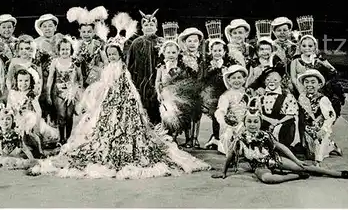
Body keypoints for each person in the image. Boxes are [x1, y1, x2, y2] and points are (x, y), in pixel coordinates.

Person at [26, 13, 211, 179]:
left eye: (115, 54)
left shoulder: (122, 67)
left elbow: (126, 83)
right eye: (110, 54)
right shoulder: (108, 67)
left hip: (123, 100)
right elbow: (105, 83)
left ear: (119, 55)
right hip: (107, 100)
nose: (113, 56)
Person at [211, 107, 348, 183]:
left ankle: (336, 173)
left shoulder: (265, 135)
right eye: (249, 122)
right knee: (267, 179)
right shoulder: (240, 138)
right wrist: (223, 172)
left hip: (275, 159)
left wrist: (297, 160)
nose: (252, 125)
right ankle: (295, 176)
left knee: (305, 166)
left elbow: (281, 147)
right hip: (258, 166)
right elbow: (230, 155)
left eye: (255, 122)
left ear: (260, 123)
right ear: (245, 122)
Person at [7, 66, 59, 158]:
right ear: (16, 81)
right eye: (20, 81)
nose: (23, 84)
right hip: (16, 118)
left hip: (29, 118)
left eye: (26, 81)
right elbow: (9, 106)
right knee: (16, 133)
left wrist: (36, 123)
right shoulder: (13, 93)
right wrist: (10, 113)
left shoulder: (31, 94)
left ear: (31, 81)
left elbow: (38, 110)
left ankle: (39, 150)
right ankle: (22, 147)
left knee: (31, 132)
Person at [127, 9, 164, 125]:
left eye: (152, 24)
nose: (149, 26)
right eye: (146, 24)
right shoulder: (136, 43)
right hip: (140, 81)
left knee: (157, 108)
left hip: (157, 80)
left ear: (156, 28)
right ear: (142, 28)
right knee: (141, 107)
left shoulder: (161, 42)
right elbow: (130, 63)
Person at [297, 69, 342, 166]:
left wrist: (324, 129)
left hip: (319, 128)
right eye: (306, 82)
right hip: (306, 128)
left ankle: (319, 161)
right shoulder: (301, 97)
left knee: (318, 148)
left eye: (313, 82)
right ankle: (330, 146)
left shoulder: (323, 99)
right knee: (309, 153)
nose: (309, 85)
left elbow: (331, 116)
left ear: (319, 85)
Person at [254, 66, 302, 151]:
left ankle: (282, 149)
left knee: (286, 126)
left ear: (280, 81)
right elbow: (258, 113)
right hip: (266, 123)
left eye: (275, 80)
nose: (271, 82)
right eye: (268, 80)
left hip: (283, 124)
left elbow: (291, 114)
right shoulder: (260, 97)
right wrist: (270, 121)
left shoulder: (287, 96)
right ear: (264, 82)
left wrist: (277, 123)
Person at [46, 36, 83, 144]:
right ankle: (62, 138)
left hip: (71, 92)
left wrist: (79, 91)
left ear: (71, 49)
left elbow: (80, 78)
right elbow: (51, 78)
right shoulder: (55, 61)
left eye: (67, 49)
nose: (65, 51)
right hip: (59, 92)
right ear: (58, 50)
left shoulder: (75, 61)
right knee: (61, 115)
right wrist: (48, 93)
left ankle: (69, 137)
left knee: (69, 115)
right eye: (62, 49)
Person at [208, 65, 250, 154]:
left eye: (239, 77)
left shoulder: (248, 92)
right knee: (229, 140)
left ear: (244, 79)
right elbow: (221, 111)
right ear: (229, 81)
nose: (236, 80)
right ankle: (218, 142)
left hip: (247, 123)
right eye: (233, 78)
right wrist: (224, 122)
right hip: (232, 124)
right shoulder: (226, 95)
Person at [66, 6, 108, 87]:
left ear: (93, 32)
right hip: (81, 74)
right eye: (84, 32)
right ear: (80, 32)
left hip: (95, 75)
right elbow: (74, 59)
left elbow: (105, 60)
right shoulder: (77, 44)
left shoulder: (97, 43)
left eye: (89, 32)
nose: (86, 34)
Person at [177, 27, 205, 148]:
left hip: (199, 89)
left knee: (197, 114)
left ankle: (195, 139)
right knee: (187, 114)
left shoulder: (203, 58)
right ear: (184, 42)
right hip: (186, 89)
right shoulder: (180, 57)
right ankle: (188, 138)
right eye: (189, 41)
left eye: (195, 41)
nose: (192, 44)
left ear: (199, 43)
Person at [34, 14, 64, 125]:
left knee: (58, 105)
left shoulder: (61, 39)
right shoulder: (36, 43)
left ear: (55, 28)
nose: (47, 28)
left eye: (50, 26)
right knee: (44, 103)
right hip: (43, 78)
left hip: (59, 77)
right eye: (44, 26)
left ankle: (58, 132)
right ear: (40, 29)